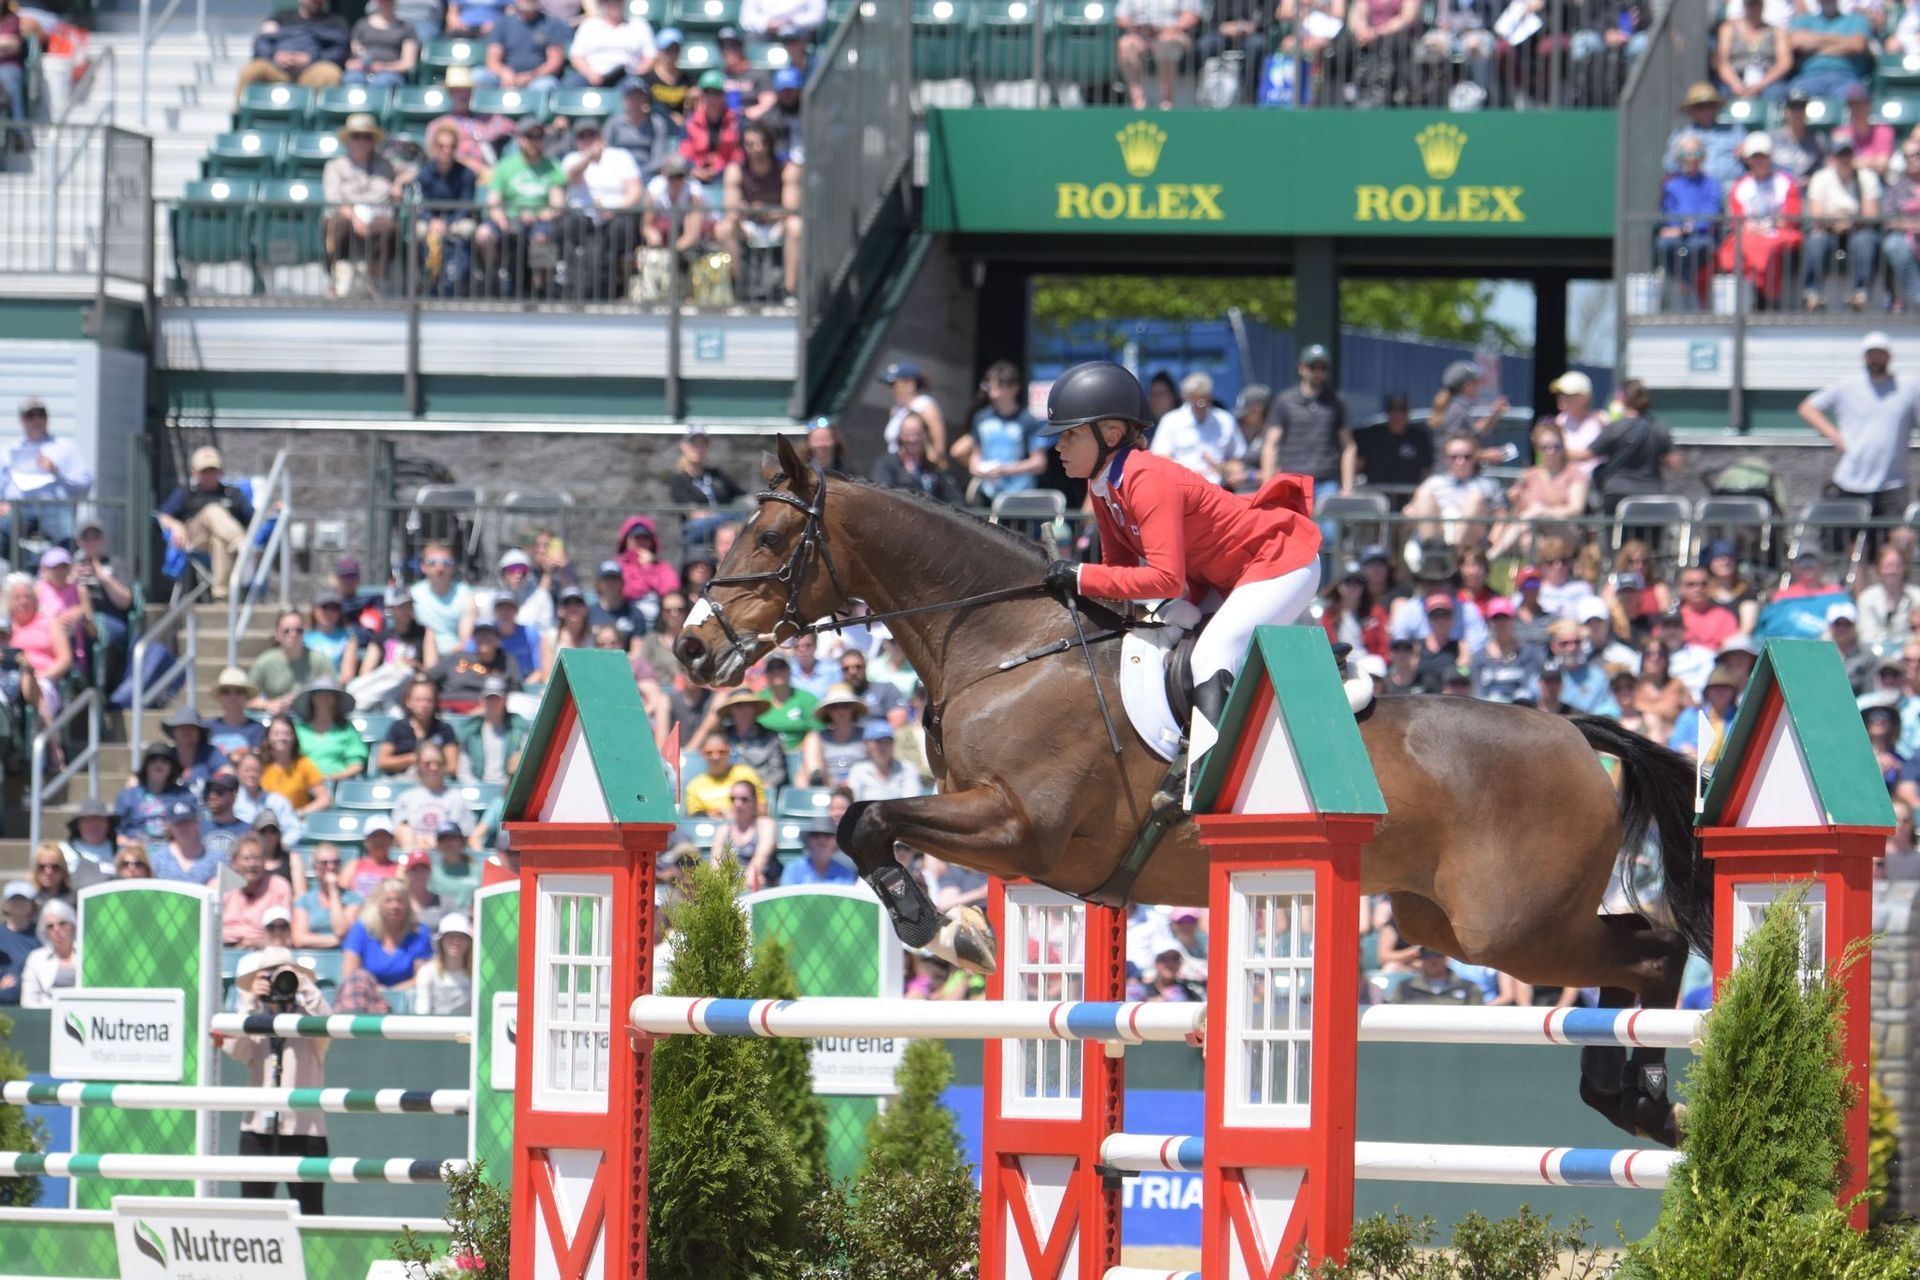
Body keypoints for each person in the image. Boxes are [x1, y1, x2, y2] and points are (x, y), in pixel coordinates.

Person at [1038, 360, 1322, 766]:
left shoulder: (1147, 478)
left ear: (1112, 435)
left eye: (1070, 434)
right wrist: (1091, 584)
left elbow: (1165, 580)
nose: (1058, 447)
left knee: (1212, 652)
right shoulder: (1102, 486)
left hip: (1279, 561)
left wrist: (1079, 575)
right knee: (1166, 638)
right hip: (1226, 578)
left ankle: (1209, 778)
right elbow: (1119, 571)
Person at [220, 949, 332, 1214]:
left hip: (306, 1131)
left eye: (284, 973)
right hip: (258, 1130)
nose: (279, 980)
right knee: (253, 1215)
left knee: (311, 1214)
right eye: (271, 975)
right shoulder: (253, 1020)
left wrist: (303, 983)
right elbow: (233, 1049)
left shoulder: (309, 1020)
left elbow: (329, 1028)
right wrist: (250, 1003)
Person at [1799, 331, 1920, 525]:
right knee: (1849, 543)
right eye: (1871, 354)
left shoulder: (1909, 387)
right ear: (1864, 357)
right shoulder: (1847, 386)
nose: (1875, 359)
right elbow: (1808, 408)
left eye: (1880, 354)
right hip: (1851, 481)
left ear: (1889, 356)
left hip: (1893, 483)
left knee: (1897, 542)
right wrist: (1834, 435)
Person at [717, 120, 802, 301]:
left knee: (796, 226)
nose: (756, 149)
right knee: (724, 228)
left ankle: (789, 290)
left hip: (777, 224)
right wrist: (750, 211)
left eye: (760, 143)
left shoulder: (787, 169)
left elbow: (791, 209)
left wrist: (764, 211)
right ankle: (740, 287)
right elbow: (731, 211)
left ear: (769, 144)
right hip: (748, 225)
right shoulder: (735, 170)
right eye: (750, 144)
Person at [1718, 131, 1804, 310]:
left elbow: (1791, 217)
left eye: (1763, 157)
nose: (1759, 162)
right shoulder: (1740, 185)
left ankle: (1768, 297)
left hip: (1780, 234)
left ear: (1770, 157)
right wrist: (1753, 228)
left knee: (1768, 248)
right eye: (1755, 157)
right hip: (1751, 234)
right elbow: (1737, 221)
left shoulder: (1786, 182)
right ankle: (1757, 297)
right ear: (1748, 160)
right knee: (1738, 248)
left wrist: (1770, 225)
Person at [1569, 379, 1678, 514]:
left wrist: (1555, 448)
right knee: (1647, 534)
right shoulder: (1659, 428)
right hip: (1651, 494)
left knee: (1617, 534)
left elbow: (1585, 455)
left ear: (1622, 399)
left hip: (1618, 494)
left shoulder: (1615, 428)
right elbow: (1675, 463)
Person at [1261, 345, 1353, 502]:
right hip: (1292, 480)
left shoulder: (1336, 402)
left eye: (1323, 368)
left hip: (1327, 481)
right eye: (1313, 367)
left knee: (1328, 527)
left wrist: (1347, 487)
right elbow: (1270, 445)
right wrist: (1266, 486)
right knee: (1293, 526)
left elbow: (1349, 446)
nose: (1318, 372)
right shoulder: (1284, 401)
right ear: (1301, 368)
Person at [1802, 136, 1882, 313]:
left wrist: (1849, 221)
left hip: (1857, 231)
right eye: (1840, 155)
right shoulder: (1821, 177)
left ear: (1854, 156)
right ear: (1832, 158)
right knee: (1816, 240)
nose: (1844, 159)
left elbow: (1871, 215)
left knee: (1866, 240)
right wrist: (1835, 221)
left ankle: (1861, 294)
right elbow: (1816, 216)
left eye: (1848, 154)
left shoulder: (1867, 177)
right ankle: (1812, 294)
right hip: (1829, 232)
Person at [1489, 421, 1589, 558]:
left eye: (1556, 447)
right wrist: (1518, 500)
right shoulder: (1530, 474)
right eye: (1545, 447)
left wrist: (1543, 512)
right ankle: (1534, 577)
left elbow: (1576, 509)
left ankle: (1493, 554)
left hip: (1565, 530)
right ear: (1538, 449)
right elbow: (1520, 512)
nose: (1551, 452)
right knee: (1528, 540)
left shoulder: (1574, 473)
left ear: (1563, 447)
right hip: (1535, 531)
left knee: (1534, 515)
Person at [2, 398, 93, 548]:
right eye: (30, 415)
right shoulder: (7, 451)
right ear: (21, 419)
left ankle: (51, 565)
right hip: (17, 507)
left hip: (54, 506)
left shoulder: (64, 447)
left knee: (68, 537)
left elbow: (85, 484)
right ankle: (33, 565)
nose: (36, 420)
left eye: (41, 414)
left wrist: (57, 472)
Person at [1404, 432, 1502, 551]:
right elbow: (1409, 512)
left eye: (1467, 456)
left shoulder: (1488, 485)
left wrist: (1493, 543)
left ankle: (1454, 553)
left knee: (1474, 498)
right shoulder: (1433, 482)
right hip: (1438, 532)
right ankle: (1430, 551)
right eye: (1454, 457)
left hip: (1473, 539)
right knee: (1424, 493)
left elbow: (1501, 518)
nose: (1460, 461)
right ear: (1446, 458)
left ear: (1475, 457)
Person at [1151, 370, 1249, 488]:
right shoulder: (1171, 421)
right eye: (1195, 399)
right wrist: (1189, 472)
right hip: (1184, 487)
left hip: (1219, 488)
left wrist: (1228, 469)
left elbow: (1238, 457)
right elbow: (1160, 457)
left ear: (1210, 397)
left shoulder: (1225, 420)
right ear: (1186, 398)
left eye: (1204, 398)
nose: (1200, 404)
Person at [339, 877, 434, 998]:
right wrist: (375, 991)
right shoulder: (361, 929)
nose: (394, 906)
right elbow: (349, 975)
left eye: (400, 901)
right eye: (388, 900)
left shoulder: (419, 933)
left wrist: (391, 994)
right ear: (378, 904)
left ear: (408, 905)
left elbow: (421, 978)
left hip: (407, 999)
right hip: (366, 998)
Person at [1658, 134, 1723, 308]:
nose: (1691, 159)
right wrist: (1679, 228)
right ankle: (1681, 288)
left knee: (1698, 247)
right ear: (1680, 158)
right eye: (1687, 154)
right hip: (1679, 236)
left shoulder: (1712, 184)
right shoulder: (1671, 185)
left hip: (1702, 236)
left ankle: (1688, 288)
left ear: (1702, 157)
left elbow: (1711, 213)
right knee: (1664, 245)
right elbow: (1669, 213)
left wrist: (1688, 227)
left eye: (1696, 153)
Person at [234, 0, 350, 97]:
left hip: (311, 71)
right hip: (277, 70)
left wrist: (310, 58)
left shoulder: (334, 21)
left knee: (330, 73)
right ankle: (240, 118)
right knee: (251, 70)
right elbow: (261, 42)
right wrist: (274, 56)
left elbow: (340, 50)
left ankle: (322, 122)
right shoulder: (282, 17)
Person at [1116, 0, 1201, 110]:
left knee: (1166, 43)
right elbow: (1121, 17)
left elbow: (1191, 17)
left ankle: (1167, 102)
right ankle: (1138, 102)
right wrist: (1138, 27)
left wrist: (1165, 29)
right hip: (1141, 36)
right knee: (1126, 44)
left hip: (1175, 34)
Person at [250, 610, 337, 714]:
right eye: (287, 631)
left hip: (311, 721)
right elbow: (245, 699)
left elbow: (335, 695)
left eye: (298, 630)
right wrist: (269, 704)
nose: (293, 634)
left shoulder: (320, 661)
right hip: (277, 722)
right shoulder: (264, 662)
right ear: (277, 635)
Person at [869, 413, 962, 504]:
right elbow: (881, 498)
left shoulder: (932, 467)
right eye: (908, 434)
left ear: (925, 435)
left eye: (917, 434)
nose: (913, 439)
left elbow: (956, 500)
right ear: (900, 435)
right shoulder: (887, 464)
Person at [378, 676, 461, 777]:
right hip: (402, 781)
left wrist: (431, 768)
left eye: (428, 700)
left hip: (435, 783)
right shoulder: (398, 727)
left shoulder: (445, 729)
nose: (423, 705)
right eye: (418, 700)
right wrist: (413, 758)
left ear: (435, 702)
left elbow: (452, 767)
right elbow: (382, 762)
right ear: (408, 702)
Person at [1788, 0, 1872, 99]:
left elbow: (1857, 45)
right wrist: (1842, 40)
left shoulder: (1856, 19)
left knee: (1856, 96)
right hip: (1810, 77)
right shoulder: (1804, 20)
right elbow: (1798, 42)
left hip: (1845, 77)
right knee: (1795, 96)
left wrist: (1817, 46)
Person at [222, 835, 295, 948]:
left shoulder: (279, 886)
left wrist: (258, 944)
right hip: (224, 950)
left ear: (265, 862)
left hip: (266, 951)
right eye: (247, 859)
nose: (252, 864)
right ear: (234, 862)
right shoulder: (219, 887)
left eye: (257, 858)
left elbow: (286, 934)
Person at [478, 0, 566, 89]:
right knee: (480, 76)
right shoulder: (502, 23)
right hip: (506, 77)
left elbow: (555, 62)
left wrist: (531, 76)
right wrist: (504, 73)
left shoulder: (551, 24)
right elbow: (492, 60)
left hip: (537, 78)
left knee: (544, 85)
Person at [392, 741, 464, 849]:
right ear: (418, 765)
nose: (433, 768)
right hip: (414, 855)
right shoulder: (405, 798)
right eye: (427, 763)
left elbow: (461, 836)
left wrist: (432, 842)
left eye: (438, 763)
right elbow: (400, 834)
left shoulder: (456, 797)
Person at [456, 675, 528, 784]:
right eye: (489, 698)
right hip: (479, 789)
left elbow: (524, 757)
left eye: (497, 698)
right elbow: (464, 772)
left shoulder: (518, 727)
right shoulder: (471, 731)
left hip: (508, 787)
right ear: (482, 700)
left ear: (505, 700)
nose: (493, 703)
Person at [1715, 0, 1791, 101]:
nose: (1754, 8)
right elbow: (1722, 62)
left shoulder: (1777, 31)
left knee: (1778, 93)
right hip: (1736, 77)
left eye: (1757, 4)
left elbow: (1784, 63)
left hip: (1767, 80)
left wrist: (1760, 85)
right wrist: (1736, 85)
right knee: (1721, 94)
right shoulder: (1728, 29)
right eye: (1750, 4)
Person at [115, 742, 189, 844]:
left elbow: (192, 828)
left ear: (172, 766)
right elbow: (118, 835)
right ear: (146, 766)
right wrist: (133, 845)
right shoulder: (127, 796)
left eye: (165, 760)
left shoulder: (183, 795)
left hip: (171, 849)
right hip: (136, 852)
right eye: (153, 760)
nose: (159, 764)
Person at [1671, 662, 1743, 766]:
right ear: (1707, 691)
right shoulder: (1691, 715)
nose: (1720, 691)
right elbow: (1675, 744)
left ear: (1734, 692)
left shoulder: (1740, 718)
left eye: (1726, 687)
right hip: (1693, 769)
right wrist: (1690, 753)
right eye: (1715, 687)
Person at [709, 779, 776, 889]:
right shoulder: (722, 830)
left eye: (744, 799)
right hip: (730, 889)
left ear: (754, 802)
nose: (737, 804)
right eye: (733, 799)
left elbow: (758, 862)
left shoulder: (765, 825)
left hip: (759, 888)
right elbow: (715, 867)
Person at [878, 360, 948, 464]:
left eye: (894, 384)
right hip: (895, 466)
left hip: (914, 471)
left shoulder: (925, 406)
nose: (892, 389)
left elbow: (938, 449)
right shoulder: (896, 409)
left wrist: (921, 469)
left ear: (910, 384)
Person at [293, 843, 362, 948]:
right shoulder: (304, 901)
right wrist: (338, 941)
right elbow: (299, 939)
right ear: (315, 867)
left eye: (336, 862)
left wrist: (333, 891)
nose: (331, 867)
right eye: (324, 863)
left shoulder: (354, 899)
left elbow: (341, 931)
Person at [261, 714, 331, 817]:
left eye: (286, 733)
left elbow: (324, 799)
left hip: (295, 822)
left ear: (293, 737)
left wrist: (300, 813)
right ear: (268, 737)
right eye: (276, 733)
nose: (282, 738)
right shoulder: (260, 764)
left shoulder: (304, 764)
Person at [683, 730, 765, 816]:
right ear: (702, 754)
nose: (716, 757)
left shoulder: (746, 774)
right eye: (709, 753)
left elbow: (762, 810)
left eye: (721, 752)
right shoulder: (694, 786)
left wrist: (734, 813)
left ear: (729, 751)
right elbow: (695, 818)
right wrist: (717, 814)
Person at [234, 752, 305, 847]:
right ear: (237, 772)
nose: (251, 774)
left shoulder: (278, 801)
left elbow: (293, 829)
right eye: (246, 770)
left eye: (255, 770)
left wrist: (280, 847)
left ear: (262, 773)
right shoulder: (231, 801)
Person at [148, 798, 224, 884]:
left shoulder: (217, 859)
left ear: (197, 822)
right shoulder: (157, 859)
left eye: (188, 822)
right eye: (179, 823)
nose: (184, 827)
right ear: (171, 826)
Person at [1858, 542, 1920, 648]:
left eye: (1897, 566)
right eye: (1887, 566)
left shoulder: (1916, 597)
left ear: (1904, 568)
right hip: (1874, 655)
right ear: (1878, 568)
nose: (1892, 571)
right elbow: (1866, 635)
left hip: (1907, 655)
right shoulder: (1866, 598)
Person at [847, 719, 924, 803]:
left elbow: (911, 802)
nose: (883, 746)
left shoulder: (907, 768)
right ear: (867, 744)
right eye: (878, 742)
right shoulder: (858, 770)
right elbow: (854, 802)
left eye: (887, 741)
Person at [19, 897, 77, 1008]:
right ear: (45, 931)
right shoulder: (35, 958)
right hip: (46, 1017)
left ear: (73, 925)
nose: (57, 929)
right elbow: (28, 1001)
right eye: (50, 926)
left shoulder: (87, 954)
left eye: (62, 923)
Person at [344, 0, 418, 85]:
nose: (385, 3)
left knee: (382, 81)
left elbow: (408, 63)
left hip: (391, 74)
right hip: (363, 71)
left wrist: (385, 67)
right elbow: (352, 56)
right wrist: (356, 64)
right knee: (352, 79)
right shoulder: (361, 25)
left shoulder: (406, 27)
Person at [413, 912, 474, 1015]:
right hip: (435, 1029)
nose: (456, 941)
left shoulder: (477, 974)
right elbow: (422, 1012)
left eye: (461, 937)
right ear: (441, 941)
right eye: (450, 936)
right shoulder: (427, 972)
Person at [1388, 947, 1484, 1006]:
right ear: (1420, 958)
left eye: (1438, 954)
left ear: (1446, 957)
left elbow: (1477, 1020)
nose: (1433, 960)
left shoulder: (1469, 988)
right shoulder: (1405, 988)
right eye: (1427, 955)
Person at [304, 592, 362, 682]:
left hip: (336, 689)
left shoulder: (348, 639)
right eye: (324, 607)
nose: (329, 613)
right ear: (314, 610)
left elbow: (347, 676)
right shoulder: (303, 637)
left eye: (334, 608)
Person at [783, 814, 855, 886]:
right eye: (815, 835)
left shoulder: (845, 873)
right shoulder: (794, 869)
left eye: (827, 836)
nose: (821, 840)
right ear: (808, 841)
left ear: (835, 843)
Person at [60, 798, 117, 881]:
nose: (94, 825)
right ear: (78, 825)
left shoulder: (121, 853)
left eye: (98, 820)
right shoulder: (63, 851)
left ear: (108, 824)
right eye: (88, 821)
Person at [344, 815, 401, 897]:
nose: (379, 841)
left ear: (391, 840)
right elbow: (343, 894)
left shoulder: (399, 869)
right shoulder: (353, 865)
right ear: (366, 840)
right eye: (375, 836)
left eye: (384, 836)